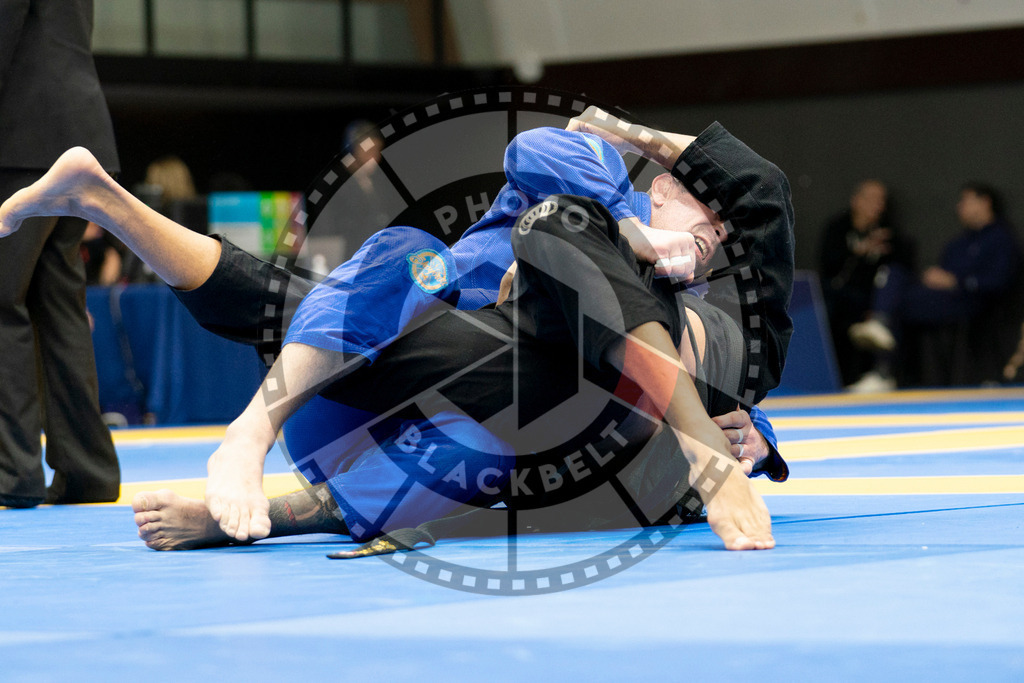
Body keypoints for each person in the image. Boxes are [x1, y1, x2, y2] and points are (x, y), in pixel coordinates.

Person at [0, 108, 793, 551]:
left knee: (486, 448)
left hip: (473, 396)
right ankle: (247, 434)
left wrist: (751, 434)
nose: (717, 233)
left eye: (723, 231)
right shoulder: (603, 180)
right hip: (411, 323)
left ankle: (278, 506)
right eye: (704, 209)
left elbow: (754, 221)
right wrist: (627, 173)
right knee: (404, 260)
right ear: (662, 193)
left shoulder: (701, 308)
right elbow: (534, 148)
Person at [0, 0, 120, 507]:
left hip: (19, 137)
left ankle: (12, 473)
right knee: (59, 304)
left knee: (3, 303)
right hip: (77, 135)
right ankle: (86, 470)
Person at [850, 183, 1019, 387]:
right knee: (892, 275)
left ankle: (883, 366)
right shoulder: (958, 243)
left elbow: (999, 281)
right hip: (941, 299)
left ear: (984, 202)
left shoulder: (1001, 238)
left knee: (891, 306)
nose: (959, 206)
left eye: (965, 200)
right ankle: (880, 330)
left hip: (971, 303)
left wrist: (956, 282)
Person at [818, 180, 912, 389]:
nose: (877, 205)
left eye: (881, 200)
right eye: (871, 199)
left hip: (874, 298)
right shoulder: (838, 228)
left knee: (889, 312)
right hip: (841, 296)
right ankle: (833, 379)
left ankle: (882, 374)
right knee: (832, 308)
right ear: (856, 201)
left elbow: (900, 269)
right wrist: (859, 252)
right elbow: (829, 266)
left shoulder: (888, 232)